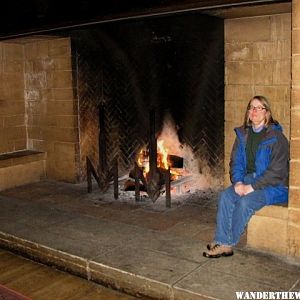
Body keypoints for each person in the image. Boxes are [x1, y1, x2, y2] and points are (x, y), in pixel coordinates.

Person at [203, 95, 289, 258]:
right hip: (250, 179)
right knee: (226, 196)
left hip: (275, 186)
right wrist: (238, 182)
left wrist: (251, 187)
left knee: (244, 202)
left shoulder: (277, 138)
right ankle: (221, 239)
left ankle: (227, 243)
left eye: (259, 107)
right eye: (251, 107)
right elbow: (236, 162)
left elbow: (277, 172)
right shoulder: (243, 135)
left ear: (267, 113)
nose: (254, 111)